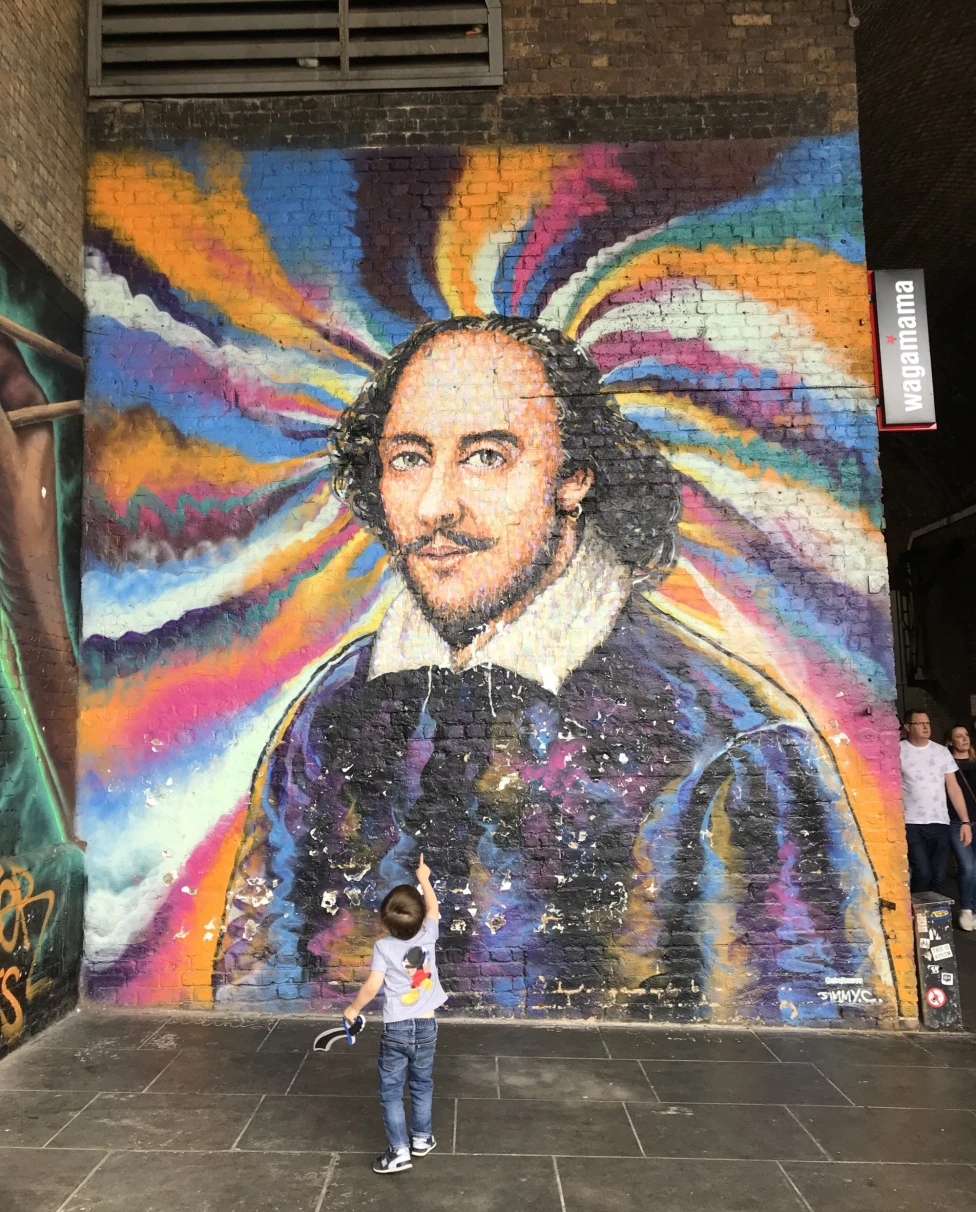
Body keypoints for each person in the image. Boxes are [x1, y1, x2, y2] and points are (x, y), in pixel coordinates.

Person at [218, 314, 896, 1022]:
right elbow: (253, 987)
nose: (434, 505)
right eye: (409, 458)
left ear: (574, 477)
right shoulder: (332, 713)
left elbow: (803, 1045)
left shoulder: (732, 747)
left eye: (486, 456)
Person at [342, 853, 446, 1174]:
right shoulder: (428, 934)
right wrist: (424, 878)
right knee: (421, 1084)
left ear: (386, 923)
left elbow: (373, 986)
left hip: (397, 1030)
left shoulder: (384, 948)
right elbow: (434, 908)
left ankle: (399, 1151)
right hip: (427, 1026)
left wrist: (353, 1009)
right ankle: (421, 1139)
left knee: (391, 1091)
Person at [900, 710, 972, 898]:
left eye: (928, 723)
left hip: (940, 821)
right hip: (911, 822)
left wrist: (965, 822)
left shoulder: (941, 752)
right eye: (920, 723)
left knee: (939, 875)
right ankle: (920, 919)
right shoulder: (897, 751)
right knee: (922, 871)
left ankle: (939, 921)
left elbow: (954, 788)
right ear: (908, 727)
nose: (926, 727)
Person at [945, 724, 976, 930]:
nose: (964, 739)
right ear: (950, 742)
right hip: (956, 821)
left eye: (966, 735)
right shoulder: (947, 765)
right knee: (967, 866)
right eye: (959, 736)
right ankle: (966, 909)